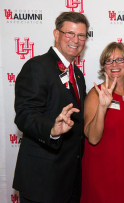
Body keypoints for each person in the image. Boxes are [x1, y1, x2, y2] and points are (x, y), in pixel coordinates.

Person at [13, 12, 89, 203]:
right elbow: (25, 115)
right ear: (56, 34)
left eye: (81, 35)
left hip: (70, 179)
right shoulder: (37, 66)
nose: (76, 40)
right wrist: (52, 130)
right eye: (69, 33)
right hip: (42, 181)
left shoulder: (77, 74)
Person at [80, 42, 124, 203]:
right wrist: (103, 106)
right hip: (103, 176)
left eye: (119, 59)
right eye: (109, 60)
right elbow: (93, 138)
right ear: (104, 66)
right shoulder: (96, 95)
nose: (114, 64)